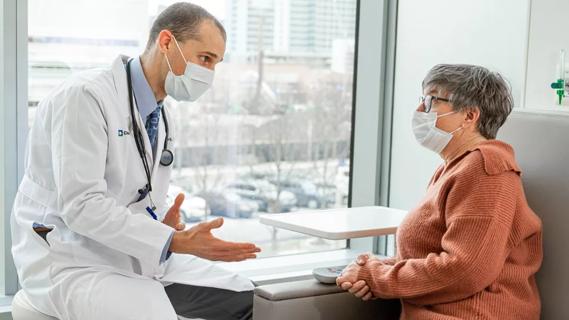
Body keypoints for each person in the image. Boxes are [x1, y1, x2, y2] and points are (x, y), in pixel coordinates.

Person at [11, 3, 260, 320]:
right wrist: (172, 240)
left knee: (246, 297)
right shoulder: (85, 97)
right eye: (205, 59)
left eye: (216, 64)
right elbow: (82, 205)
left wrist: (162, 228)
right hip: (71, 260)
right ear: (167, 42)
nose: (209, 74)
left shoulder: (161, 113)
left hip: (135, 254)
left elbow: (131, 191)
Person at [336, 64, 543, 319]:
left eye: (432, 99)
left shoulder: (487, 169)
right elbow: (430, 254)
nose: (420, 109)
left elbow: (466, 270)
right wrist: (373, 269)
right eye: (422, 98)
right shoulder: (455, 167)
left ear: (469, 116)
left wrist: (376, 277)